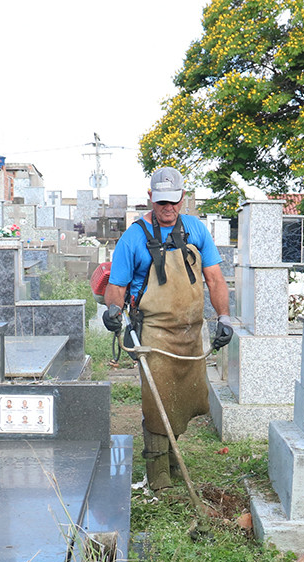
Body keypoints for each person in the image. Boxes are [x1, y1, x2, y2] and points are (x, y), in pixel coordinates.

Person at [103, 167, 234, 489]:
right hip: (154, 333)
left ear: (183, 199)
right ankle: (158, 474)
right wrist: (113, 311)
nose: (168, 208)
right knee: (157, 399)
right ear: (150, 198)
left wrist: (225, 317)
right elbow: (117, 286)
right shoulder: (133, 237)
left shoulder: (195, 230)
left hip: (191, 331)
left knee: (187, 398)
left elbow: (215, 278)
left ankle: (173, 458)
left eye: (173, 202)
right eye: (161, 202)